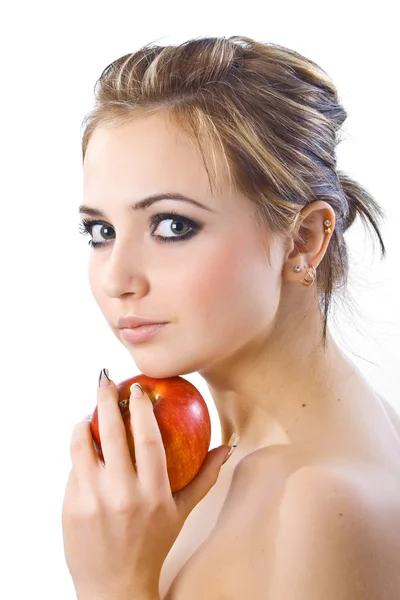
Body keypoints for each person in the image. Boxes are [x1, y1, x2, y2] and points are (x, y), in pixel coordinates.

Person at [61, 36, 400, 600]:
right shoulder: (268, 454)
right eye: (102, 232)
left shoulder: (321, 507)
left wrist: (112, 587)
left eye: (173, 226)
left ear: (304, 239)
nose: (118, 279)